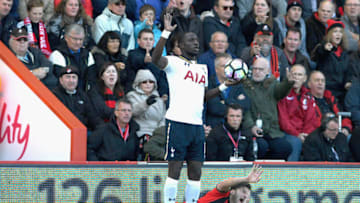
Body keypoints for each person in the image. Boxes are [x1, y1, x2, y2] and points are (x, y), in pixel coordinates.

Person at [152, 13, 239, 203]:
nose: (196, 43)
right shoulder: (174, 62)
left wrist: (224, 85)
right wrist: (166, 32)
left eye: (197, 40)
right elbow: (155, 58)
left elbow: (203, 97)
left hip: (196, 125)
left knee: (196, 171)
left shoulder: (202, 69)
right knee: (174, 170)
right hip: (177, 122)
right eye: (191, 40)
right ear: (181, 46)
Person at [242, 57, 294, 160]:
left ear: (267, 71)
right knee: (261, 146)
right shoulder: (245, 86)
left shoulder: (272, 84)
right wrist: (251, 126)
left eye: (260, 69)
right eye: (255, 68)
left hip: (272, 131)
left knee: (285, 147)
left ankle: (270, 170)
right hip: (253, 129)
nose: (257, 72)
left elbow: (281, 92)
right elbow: (245, 110)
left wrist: (288, 82)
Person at [277, 64, 318, 161]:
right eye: (293, 74)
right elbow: (283, 121)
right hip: (286, 133)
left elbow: (311, 119)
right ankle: (292, 173)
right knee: (295, 142)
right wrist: (297, 135)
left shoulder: (308, 96)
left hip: (303, 134)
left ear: (305, 79)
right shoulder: (283, 94)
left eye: (299, 75)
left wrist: (306, 134)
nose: (296, 77)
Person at [311, 19, 351, 110]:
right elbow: (319, 54)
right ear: (329, 34)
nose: (338, 34)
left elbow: (348, 72)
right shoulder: (323, 48)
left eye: (340, 32)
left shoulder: (346, 54)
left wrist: (348, 81)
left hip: (342, 93)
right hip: (327, 91)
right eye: (335, 32)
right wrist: (325, 49)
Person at [126, 69, 166, 159]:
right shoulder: (132, 96)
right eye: (144, 82)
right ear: (138, 83)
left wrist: (159, 132)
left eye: (151, 82)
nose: (148, 84)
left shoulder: (159, 98)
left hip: (158, 134)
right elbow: (133, 111)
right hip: (141, 132)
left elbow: (163, 118)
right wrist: (146, 104)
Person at [206, 54, 251, 128]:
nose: (227, 69)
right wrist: (235, 103)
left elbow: (246, 104)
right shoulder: (209, 83)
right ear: (216, 68)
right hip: (215, 127)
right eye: (224, 66)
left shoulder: (238, 83)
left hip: (235, 129)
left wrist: (225, 102)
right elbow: (214, 108)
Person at [53, 66, 103, 131]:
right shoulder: (54, 95)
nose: (71, 80)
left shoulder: (82, 96)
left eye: (74, 77)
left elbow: (93, 117)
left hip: (83, 131)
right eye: (68, 77)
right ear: (61, 80)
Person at [49, 24, 97, 91]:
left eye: (81, 39)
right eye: (74, 39)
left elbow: (91, 79)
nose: (78, 42)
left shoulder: (88, 55)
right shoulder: (57, 55)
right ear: (66, 37)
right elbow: (60, 80)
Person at [307, 71, 352, 137]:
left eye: (322, 81)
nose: (320, 83)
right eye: (317, 80)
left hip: (338, 131)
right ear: (309, 84)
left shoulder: (331, 98)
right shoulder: (305, 100)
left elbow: (344, 117)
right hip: (319, 133)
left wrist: (346, 128)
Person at [126, 29, 169, 96]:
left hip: (156, 95)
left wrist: (164, 95)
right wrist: (144, 61)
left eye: (151, 39)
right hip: (136, 95)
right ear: (138, 41)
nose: (148, 42)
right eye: (145, 39)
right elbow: (135, 60)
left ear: (154, 41)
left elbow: (162, 77)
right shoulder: (132, 54)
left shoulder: (158, 56)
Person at [198, 164, 263, 203]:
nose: (246, 196)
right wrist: (246, 179)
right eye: (243, 192)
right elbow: (224, 184)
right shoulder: (220, 195)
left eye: (248, 195)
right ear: (232, 191)